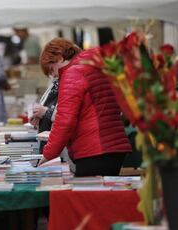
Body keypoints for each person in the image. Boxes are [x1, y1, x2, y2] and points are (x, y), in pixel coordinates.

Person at [37, 38, 132, 177]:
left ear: (60, 57)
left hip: (94, 149)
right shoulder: (95, 66)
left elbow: (65, 120)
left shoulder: (72, 74)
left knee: (90, 195)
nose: (54, 76)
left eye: (52, 69)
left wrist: (47, 155)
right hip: (114, 145)